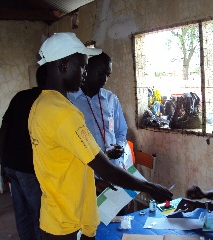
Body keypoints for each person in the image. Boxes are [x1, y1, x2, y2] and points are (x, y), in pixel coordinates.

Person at [29, 32, 173, 240]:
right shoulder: (65, 113)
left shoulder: (40, 105)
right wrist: (150, 187)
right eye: (83, 67)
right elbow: (105, 168)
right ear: (63, 67)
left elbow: (61, 164)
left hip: (54, 216)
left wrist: (93, 184)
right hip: (72, 222)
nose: (84, 74)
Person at [67, 52, 130, 194]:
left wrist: (120, 146)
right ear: (86, 69)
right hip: (87, 178)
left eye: (108, 75)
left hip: (114, 171)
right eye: (101, 73)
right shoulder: (70, 101)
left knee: (121, 216)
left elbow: (121, 131)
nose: (105, 79)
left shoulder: (111, 99)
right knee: (95, 216)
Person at [0, 65, 46, 240]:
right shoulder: (46, 101)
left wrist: (3, 161)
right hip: (29, 168)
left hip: (12, 164)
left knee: (22, 213)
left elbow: (4, 129)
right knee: (40, 215)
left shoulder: (20, 96)